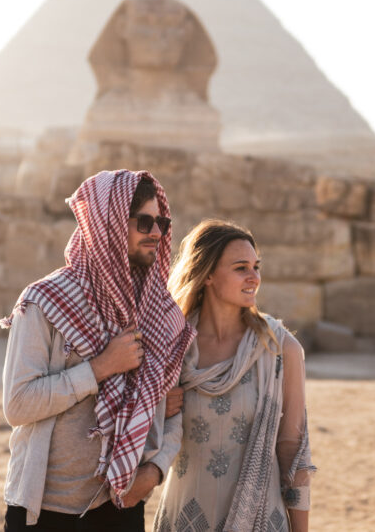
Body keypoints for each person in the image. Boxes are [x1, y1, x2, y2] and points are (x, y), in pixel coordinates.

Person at [0, 170, 196, 531]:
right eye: (144, 222)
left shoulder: (157, 311)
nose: (157, 233)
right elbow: (18, 404)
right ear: (108, 225)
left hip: (120, 505)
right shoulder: (45, 302)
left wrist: (153, 472)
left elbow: (175, 408)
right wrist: (99, 368)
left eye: (162, 222)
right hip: (43, 511)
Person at [153, 219, 315, 532]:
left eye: (257, 266)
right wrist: (158, 410)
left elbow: (293, 452)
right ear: (209, 275)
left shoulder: (280, 350)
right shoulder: (173, 347)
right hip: (184, 519)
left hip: (260, 520)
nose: (254, 277)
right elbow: (142, 438)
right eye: (241, 267)